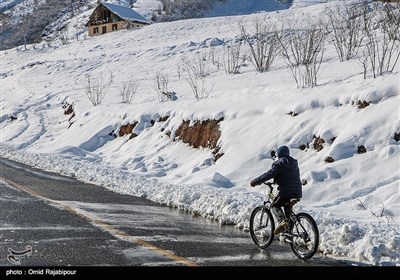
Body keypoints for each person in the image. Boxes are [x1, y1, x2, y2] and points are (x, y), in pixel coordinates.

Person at [250, 145, 302, 235]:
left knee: (275, 206)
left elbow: (268, 174)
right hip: (297, 192)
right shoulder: (294, 163)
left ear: (279, 155)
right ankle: (289, 230)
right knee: (287, 209)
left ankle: (282, 222)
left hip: (286, 192)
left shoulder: (279, 164)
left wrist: (256, 181)